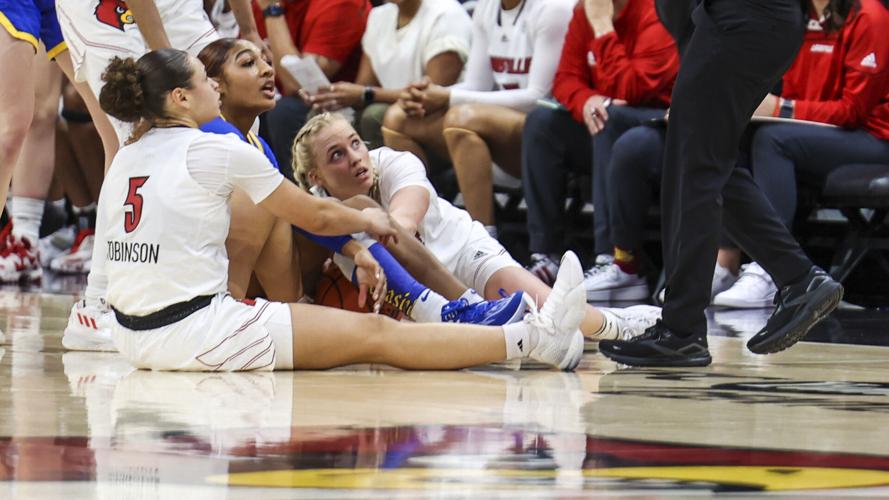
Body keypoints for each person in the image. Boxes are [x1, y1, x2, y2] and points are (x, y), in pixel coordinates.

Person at [95, 48, 588, 372]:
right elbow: (315, 215)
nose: (215, 91)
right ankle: (533, 338)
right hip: (197, 330)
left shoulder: (128, 153)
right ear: (181, 97)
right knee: (377, 336)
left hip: (131, 333)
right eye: (208, 81)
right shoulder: (216, 147)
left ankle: (467, 314)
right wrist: (368, 220)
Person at [598, 0, 845, 367]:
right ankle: (793, 279)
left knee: (698, 167)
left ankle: (683, 330)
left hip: (742, 19)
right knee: (700, 162)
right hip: (741, 22)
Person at [293, 112, 662, 340]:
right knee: (526, 340)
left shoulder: (392, 162)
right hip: (423, 296)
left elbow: (401, 224)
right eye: (337, 155)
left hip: (466, 255)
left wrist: (364, 219)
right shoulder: (320, 216)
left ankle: (618, 325)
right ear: (316, 176)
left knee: (560, 316)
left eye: (355, 143)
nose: (356, 157)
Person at [714, 0, 889, 308]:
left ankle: (772, 269)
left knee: (773, 140)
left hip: (874, 136)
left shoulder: (870, 16)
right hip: (818, 130)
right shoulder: (796, 17)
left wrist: (782, 108)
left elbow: (853, 110)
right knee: (733, 133)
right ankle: (724, 263)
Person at [521, 0, 679, 295]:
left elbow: (635, 88)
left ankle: (618, 262)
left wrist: (603, 27)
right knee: (542, 123)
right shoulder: (585, 11)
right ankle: (546, 256)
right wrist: (586, 101)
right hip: (609, 122)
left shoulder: (656, 11)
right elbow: (566, 79)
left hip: (659, 127)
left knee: (608, 118)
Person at [382, 0, 575, 237]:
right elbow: (478, 85)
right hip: (497, 125)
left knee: (461, 117)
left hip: (549, 130)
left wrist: (449, 96)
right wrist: (428, 95)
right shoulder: (487, 7)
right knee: (398, 118)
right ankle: (431, 227)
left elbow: (538, 97)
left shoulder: (553, 8)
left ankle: (483, 241)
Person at [301, 0, 472, 149]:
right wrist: (332, 96)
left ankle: (394, 183)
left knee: (375, 115)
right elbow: (363, 86)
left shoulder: (446, 14)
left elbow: (430, 97)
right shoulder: (379, 16)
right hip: (393, 107)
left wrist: (366, 94)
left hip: (435, 118)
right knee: (321, 116)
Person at [252, 0, 372, 172]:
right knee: (247, 103)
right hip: (295, 98)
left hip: (342, 105)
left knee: (284, 112)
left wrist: (273, 11)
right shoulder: (261, 5)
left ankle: (300, 194)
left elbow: (295, 83)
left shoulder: (342, 4)